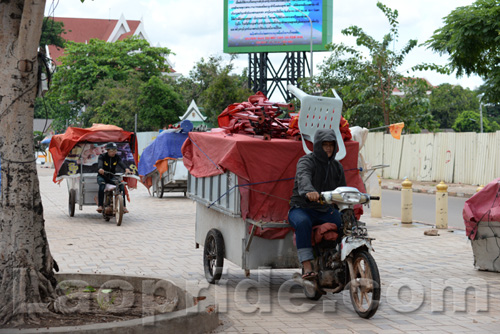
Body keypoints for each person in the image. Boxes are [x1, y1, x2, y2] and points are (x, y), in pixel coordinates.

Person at [288, 129, 346, 280]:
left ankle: (341, 257)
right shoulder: (306, 161)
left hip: (324, 209)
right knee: (302, 222)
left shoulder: (337, 166)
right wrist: (309, 192)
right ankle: (307, 265)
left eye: (331, 144)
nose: (328, 148)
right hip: (302, 208)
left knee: (344, 222)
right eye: (324, 144)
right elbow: (304, 177)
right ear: (317, 146)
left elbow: (343, 189)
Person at [97, 142, 132, 213]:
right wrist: (100, 169)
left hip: (111, 177)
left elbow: (121, 163)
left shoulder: (117, 157)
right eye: (112, 151)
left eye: (115, 150)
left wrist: (126, 169)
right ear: (107, 150)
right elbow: (100, 164)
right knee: (102, 185)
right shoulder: (102, 156)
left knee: (121, 185)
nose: (114, 152)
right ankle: (100, 205)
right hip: (102, 176)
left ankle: (124, 206)